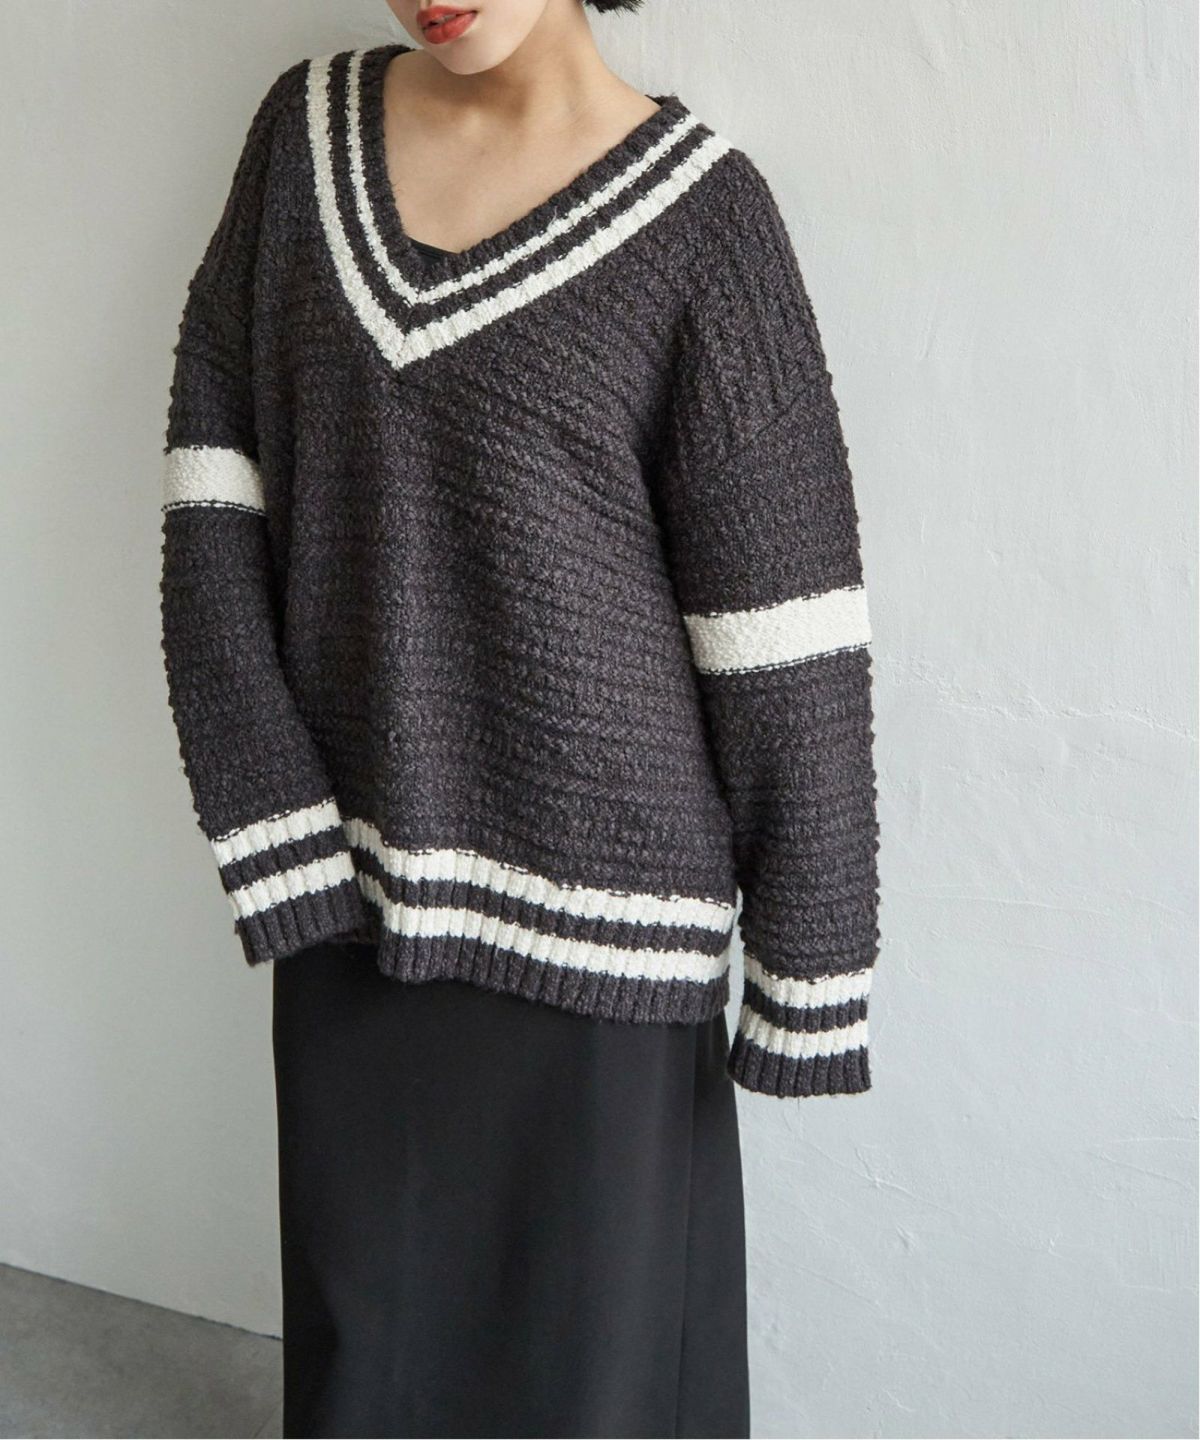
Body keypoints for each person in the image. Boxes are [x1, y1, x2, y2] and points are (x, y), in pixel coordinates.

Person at [157, 0, 882, 1435]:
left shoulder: (703, 223)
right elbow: (212, 488)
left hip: (609, 938)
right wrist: (270, 811)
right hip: (354, 903)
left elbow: (783, 625)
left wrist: (812, 963)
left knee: (590, 1382)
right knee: (366, 1367)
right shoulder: (302, 144)